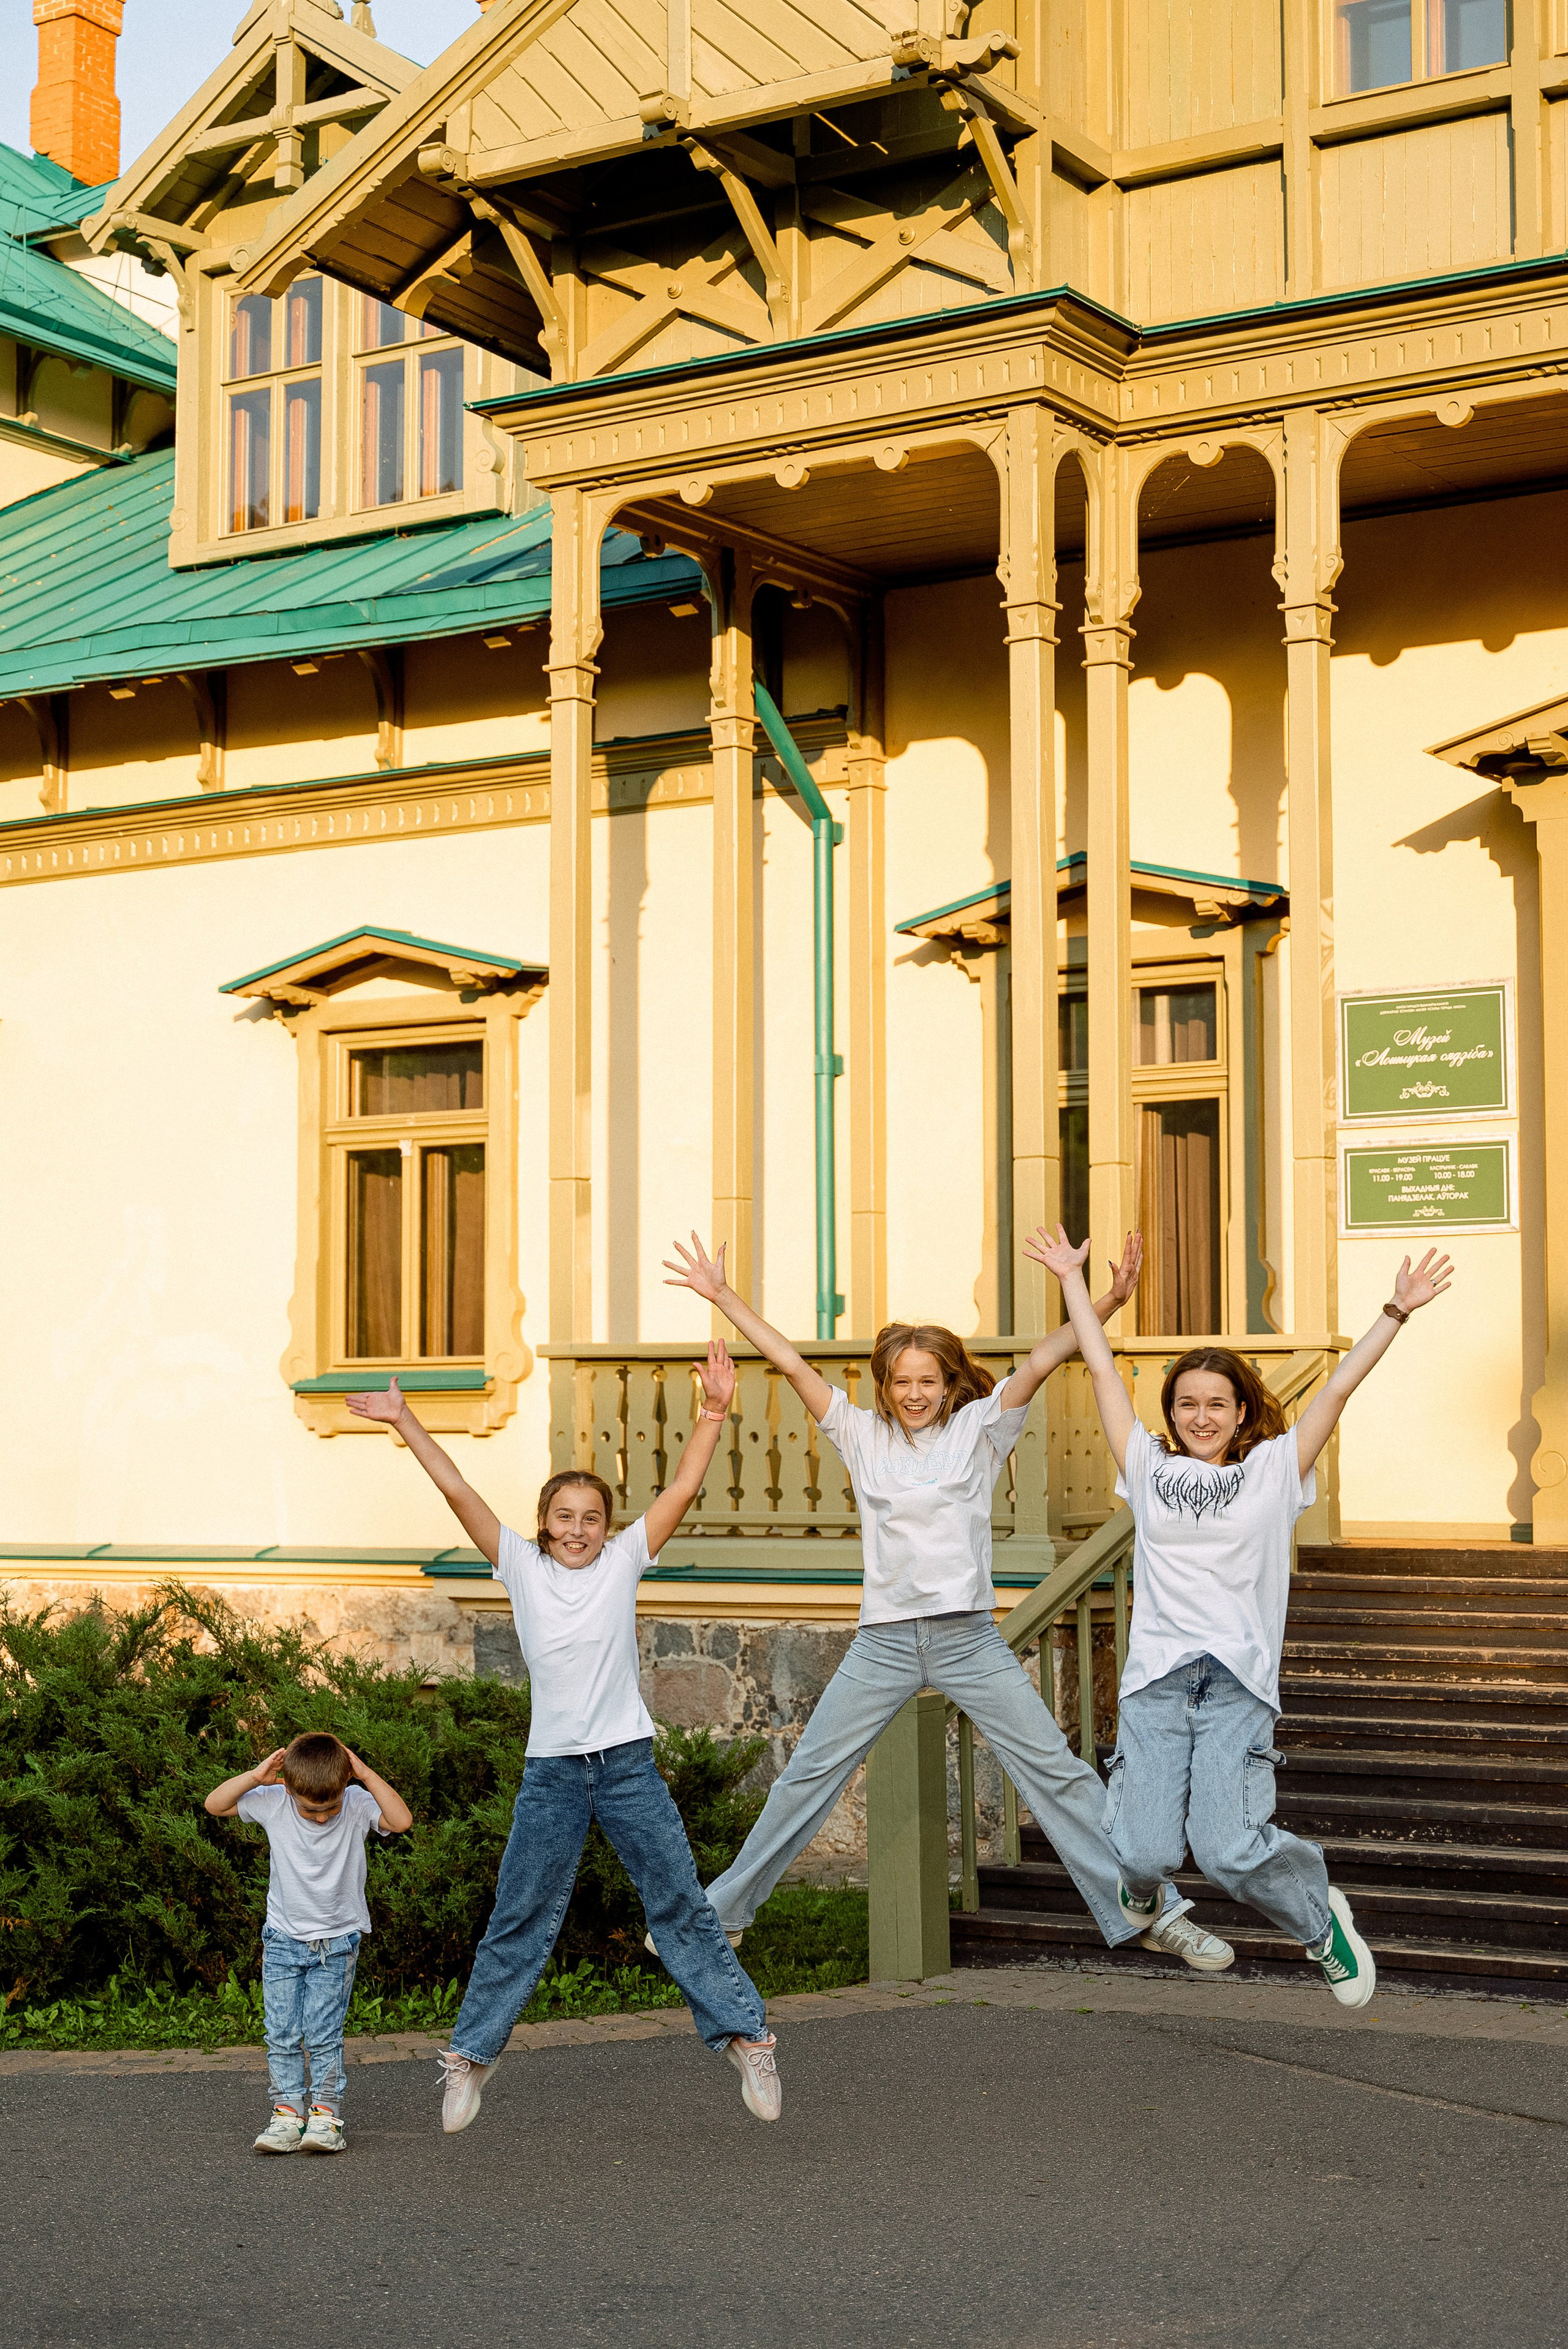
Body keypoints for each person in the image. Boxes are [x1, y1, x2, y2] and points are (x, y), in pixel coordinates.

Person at [666, 1232, 1234, 1975]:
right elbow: (792, 1364)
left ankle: (1159, 1914)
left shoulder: (979, 1428)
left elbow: (1041, 1359)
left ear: (948, 1382)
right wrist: (721, 1296)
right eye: (900, 1381)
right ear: (884, 1385)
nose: (913, 1394)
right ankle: (722, 1916)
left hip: (968, 1639)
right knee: (809, 1774)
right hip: (884, 1644)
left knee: (1057, 1774)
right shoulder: (860, 1435)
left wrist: (1109, 1300)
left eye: (927, 1380)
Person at [347, 1340, 782, 2131]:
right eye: (564, 1517)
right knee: (520, 1912)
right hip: (551, 1773)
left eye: (591, 1518)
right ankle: (470, 2059)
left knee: (680, 1902)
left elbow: (683, 1484)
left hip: (626, 1768)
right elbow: (458, 1489)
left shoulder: (623, 1563)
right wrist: (404, 1418)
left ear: (608, 1528)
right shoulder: (518, 1564)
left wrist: (714, 1411)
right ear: (543, 1524)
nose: (578, 1529)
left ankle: (748, 2036)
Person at [1032, 1224, 1454, 2007]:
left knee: (1226, 1850)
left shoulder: (1273, 1470)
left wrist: (1394, 1311)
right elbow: (1097, 1368)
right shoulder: (1146, 1468)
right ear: (1172, 1411)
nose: (1200, 1415)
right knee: (1147, 1848)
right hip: (1156, 1682)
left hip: (1235, 1685)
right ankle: (1146, 1889)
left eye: (1215, 1403)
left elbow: (1335, 1390)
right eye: (1186, 1403)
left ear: (1239, 1411)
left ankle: (1318, 1922)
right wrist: (1071, 1281)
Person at [205, 1730, 413, 2154]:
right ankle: (286, 2115)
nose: (321, 1818)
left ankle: (324, 2117)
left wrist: (365, 1774)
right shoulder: (275, 1799)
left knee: (323, 2035)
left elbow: (401, 1820)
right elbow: (216, 1804)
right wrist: (255, 1776)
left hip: (336, 1943)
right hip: (282, 1939)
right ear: (290, 1787)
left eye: (329, 1807)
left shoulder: (355, 1803)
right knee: (280, 2033)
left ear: (344, 1787)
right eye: (311, 1809)